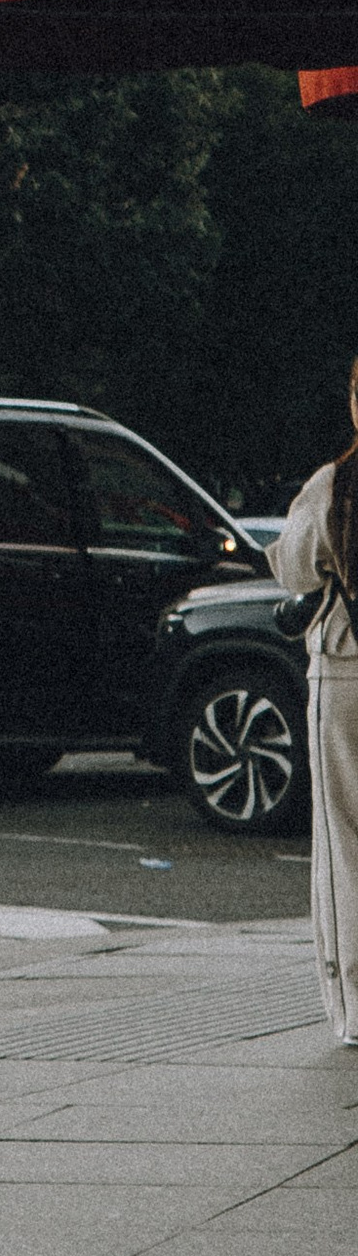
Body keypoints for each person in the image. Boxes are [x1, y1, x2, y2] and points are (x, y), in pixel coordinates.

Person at [272, 361, 358, 1042]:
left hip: (346, 666)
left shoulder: (337, 482)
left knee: (344, 840)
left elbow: (294, 564)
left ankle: (355, 1002)